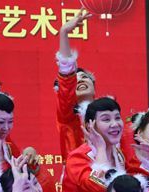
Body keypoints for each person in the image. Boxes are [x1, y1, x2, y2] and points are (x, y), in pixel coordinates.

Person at [55, 8, 95, 162]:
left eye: (85, 77)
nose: (81, 80)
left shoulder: (108, 115)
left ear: (94, 88)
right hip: (76, 175)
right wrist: (64, 33)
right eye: (76, 80)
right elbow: (66, 79)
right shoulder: (68, 118)